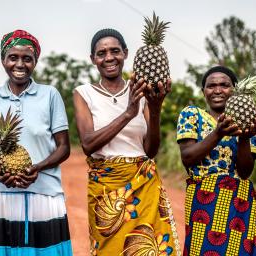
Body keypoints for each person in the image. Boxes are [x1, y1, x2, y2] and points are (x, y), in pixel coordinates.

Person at [73, 28, 180, 256]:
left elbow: (150, 150)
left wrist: (155, 108)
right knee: (109, 250)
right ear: (93, 59)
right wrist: (128, 114)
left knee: (150, 249)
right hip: (106, 190)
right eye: (101, 53)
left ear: (126, 53)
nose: (109, 58)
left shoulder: (142, 91)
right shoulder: (83, 93)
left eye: (115, 51)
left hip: (144, 184)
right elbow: (88, 144)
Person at [0, 29, 72, 256]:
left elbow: (64, 147)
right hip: (2, 193)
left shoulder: (50, 95)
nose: (20, 64)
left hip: (46, 193)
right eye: (13, 57)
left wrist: (37, 167)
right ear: (3, 60)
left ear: (35, 61)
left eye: (27, 58)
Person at [176, 66, 256, 255]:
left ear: (234, 89)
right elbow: (188, 158)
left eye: (224, 85)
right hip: (204, 200)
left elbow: (245, 172)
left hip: (239, 202)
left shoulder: (246, 118)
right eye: (211, 86)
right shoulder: (192, 114)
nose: (218, 90)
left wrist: (244, 136)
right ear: (203, 92)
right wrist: (218, 133)